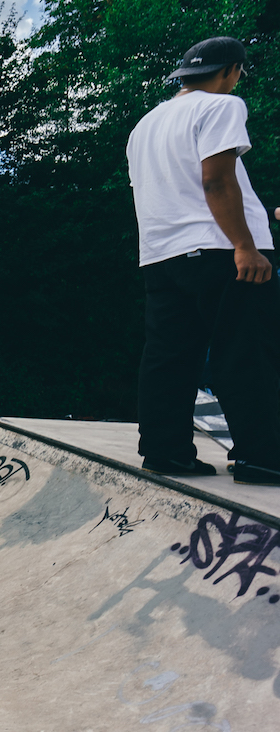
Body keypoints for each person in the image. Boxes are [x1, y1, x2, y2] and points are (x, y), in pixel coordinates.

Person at [127, 36, 280, 483]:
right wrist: (245, 245)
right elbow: (215, 181)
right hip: (218, 249)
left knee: (169, 355)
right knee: (246, 349)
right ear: (231, 71)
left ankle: (165, 451)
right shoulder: (222, 107)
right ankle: (261, 456)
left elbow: (166, 191)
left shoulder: (146, 125)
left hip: (161, 255)